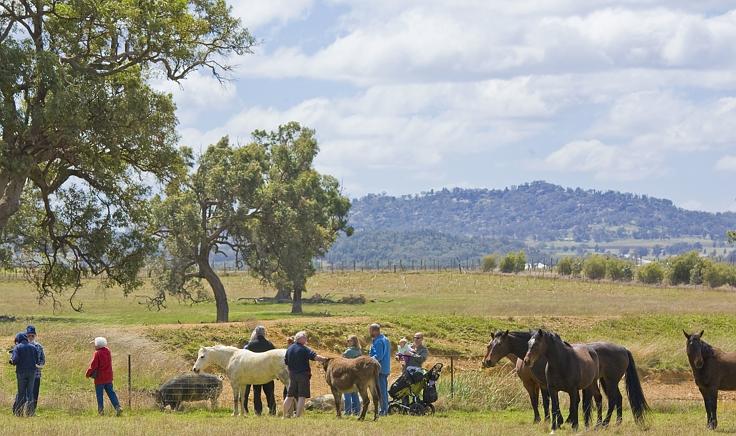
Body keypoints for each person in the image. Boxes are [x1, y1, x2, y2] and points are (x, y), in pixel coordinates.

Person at [282, 331, 327, 418]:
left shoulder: (289, 349)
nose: (306, 339)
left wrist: (291, 372)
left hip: (292, 375)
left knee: (289, 396)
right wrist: (325, 359)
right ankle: (298, 416)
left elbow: (286, 362)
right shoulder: (304, 349)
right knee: (302, 396)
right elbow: (316, 357)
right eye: (305, 337)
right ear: (300, 339)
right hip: (303, 375)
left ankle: (284, 416)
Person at [243, 325, 277, 416]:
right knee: (270, 393)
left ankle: (258, 412)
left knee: (256, 393)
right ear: (264, 333)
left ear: (256, 333)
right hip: (268, 373)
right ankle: (272, 411)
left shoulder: (250, 345)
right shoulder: (270, 345)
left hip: (255, 373)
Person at [85, 337, 122, 416]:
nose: (94, 346)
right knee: (111, 393)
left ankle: (101, 412)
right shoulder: (108, 351)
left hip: (100, 378)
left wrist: (87, 373)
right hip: (108, 377)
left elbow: (93, 365)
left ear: (98, 345)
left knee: (99, 395)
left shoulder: (97, 353)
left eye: (95, 344)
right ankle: (118, 407)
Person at [10, 332, 39, 417]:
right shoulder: (33, 347)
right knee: (30, 393)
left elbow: (15, 360)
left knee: (21, 392)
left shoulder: (17, 347)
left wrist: (11, 361)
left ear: (19, 339)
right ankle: (30, 413)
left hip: (21, 372)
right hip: (32, 372)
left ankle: (19, 413)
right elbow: (37, 360)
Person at [369, 323, 390, 416]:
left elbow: (379, 356)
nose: (369, 332)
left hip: (379, 370)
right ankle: (385, 409)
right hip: (384, 368)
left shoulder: (378, 341)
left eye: (370, 330)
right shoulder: (385, 339)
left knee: (380, 391)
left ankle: (383, 411)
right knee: (383, 390)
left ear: (375, 331)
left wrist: (367, 360)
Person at [342, 335, 363, 416]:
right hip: (356, 375)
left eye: (349, 340)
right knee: (355, 393)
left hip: (348, 374)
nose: (347, 342)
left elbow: (342, 361)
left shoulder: (348, 352)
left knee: (346, 392)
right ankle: (357, 411)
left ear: (353, 342)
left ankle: (347, 411)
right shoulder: (359, 351)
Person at [25, 325, 45, 413]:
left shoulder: (39, 346)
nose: (30, 337)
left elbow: (43, 360)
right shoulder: (23, 346)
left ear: (35, 336)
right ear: (26, 336)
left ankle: (32, 411)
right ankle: (22, 410)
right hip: (24, 374)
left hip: (36, 374)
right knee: (24, 393)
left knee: (35, 393)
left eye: (32, 335)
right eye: (29, 335)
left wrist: (38, 365)